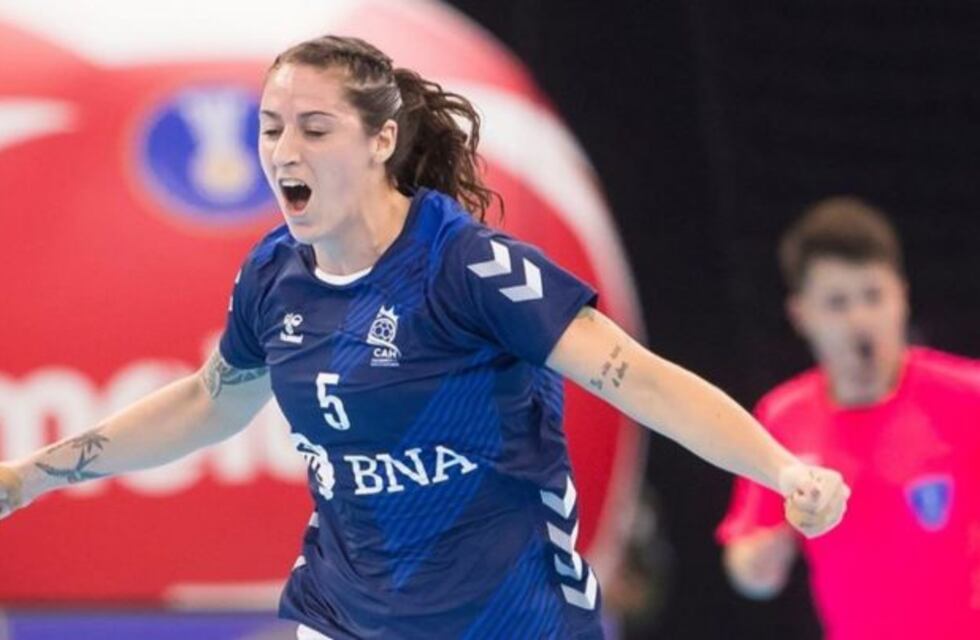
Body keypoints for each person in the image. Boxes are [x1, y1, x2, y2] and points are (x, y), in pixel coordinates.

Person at [0, 36, 848, 640]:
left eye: (314, 128)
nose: (284, 150)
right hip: (344, 616)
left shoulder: (467, 269)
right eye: (271, 127)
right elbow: (207, 403)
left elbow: (638, 377)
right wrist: (30, 476)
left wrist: (781, 469)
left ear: (382, 140)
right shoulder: (273, 276)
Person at [717, 196, 980, 639]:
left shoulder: (968, 395)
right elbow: (748, 568)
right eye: (837, 303)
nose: (860, 320)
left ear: (902, 296)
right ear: (801, 315)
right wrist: (769, 553)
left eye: (874, 296)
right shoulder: (782, 417)